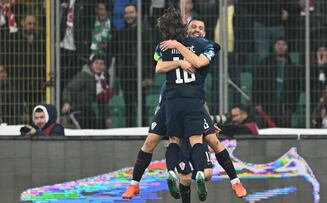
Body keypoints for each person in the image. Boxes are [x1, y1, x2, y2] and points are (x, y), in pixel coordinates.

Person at [122, 16, 246, 200]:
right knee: (151, 142)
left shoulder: (205, 46)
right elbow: (159, 66)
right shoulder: (172, 45)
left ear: (204, 32)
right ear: (186, 30)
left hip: (191, 103)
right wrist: (179, 61)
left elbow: (198, 63)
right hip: (169, 103)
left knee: (211, 139)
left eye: (200, 28)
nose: (196, 29)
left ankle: (235, 181)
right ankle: (134, 184)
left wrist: (209, 119)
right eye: (193, 26)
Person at [253, 37, 302, 128]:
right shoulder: (265, 64)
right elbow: (257, 84)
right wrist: (257, 102)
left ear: (287, 47)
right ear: (274, 46)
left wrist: (292, 106)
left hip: (286, 106)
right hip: (267, 105)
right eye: (278, 44)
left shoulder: (293, 67)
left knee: (285, 132)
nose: (280, 47)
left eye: (283, 44)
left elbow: (297, 88)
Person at [62, 54, 113, 129]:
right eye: (96, 63)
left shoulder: (102, 80)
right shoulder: (83, 76)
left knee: (100, 126)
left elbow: (103, 101)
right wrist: (67, 102)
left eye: (101, 64)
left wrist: (106, 117)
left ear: (104, 67)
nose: (98, 66)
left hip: (87, 110)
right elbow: (69, 88)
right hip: (76, 110)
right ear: (91, 64)